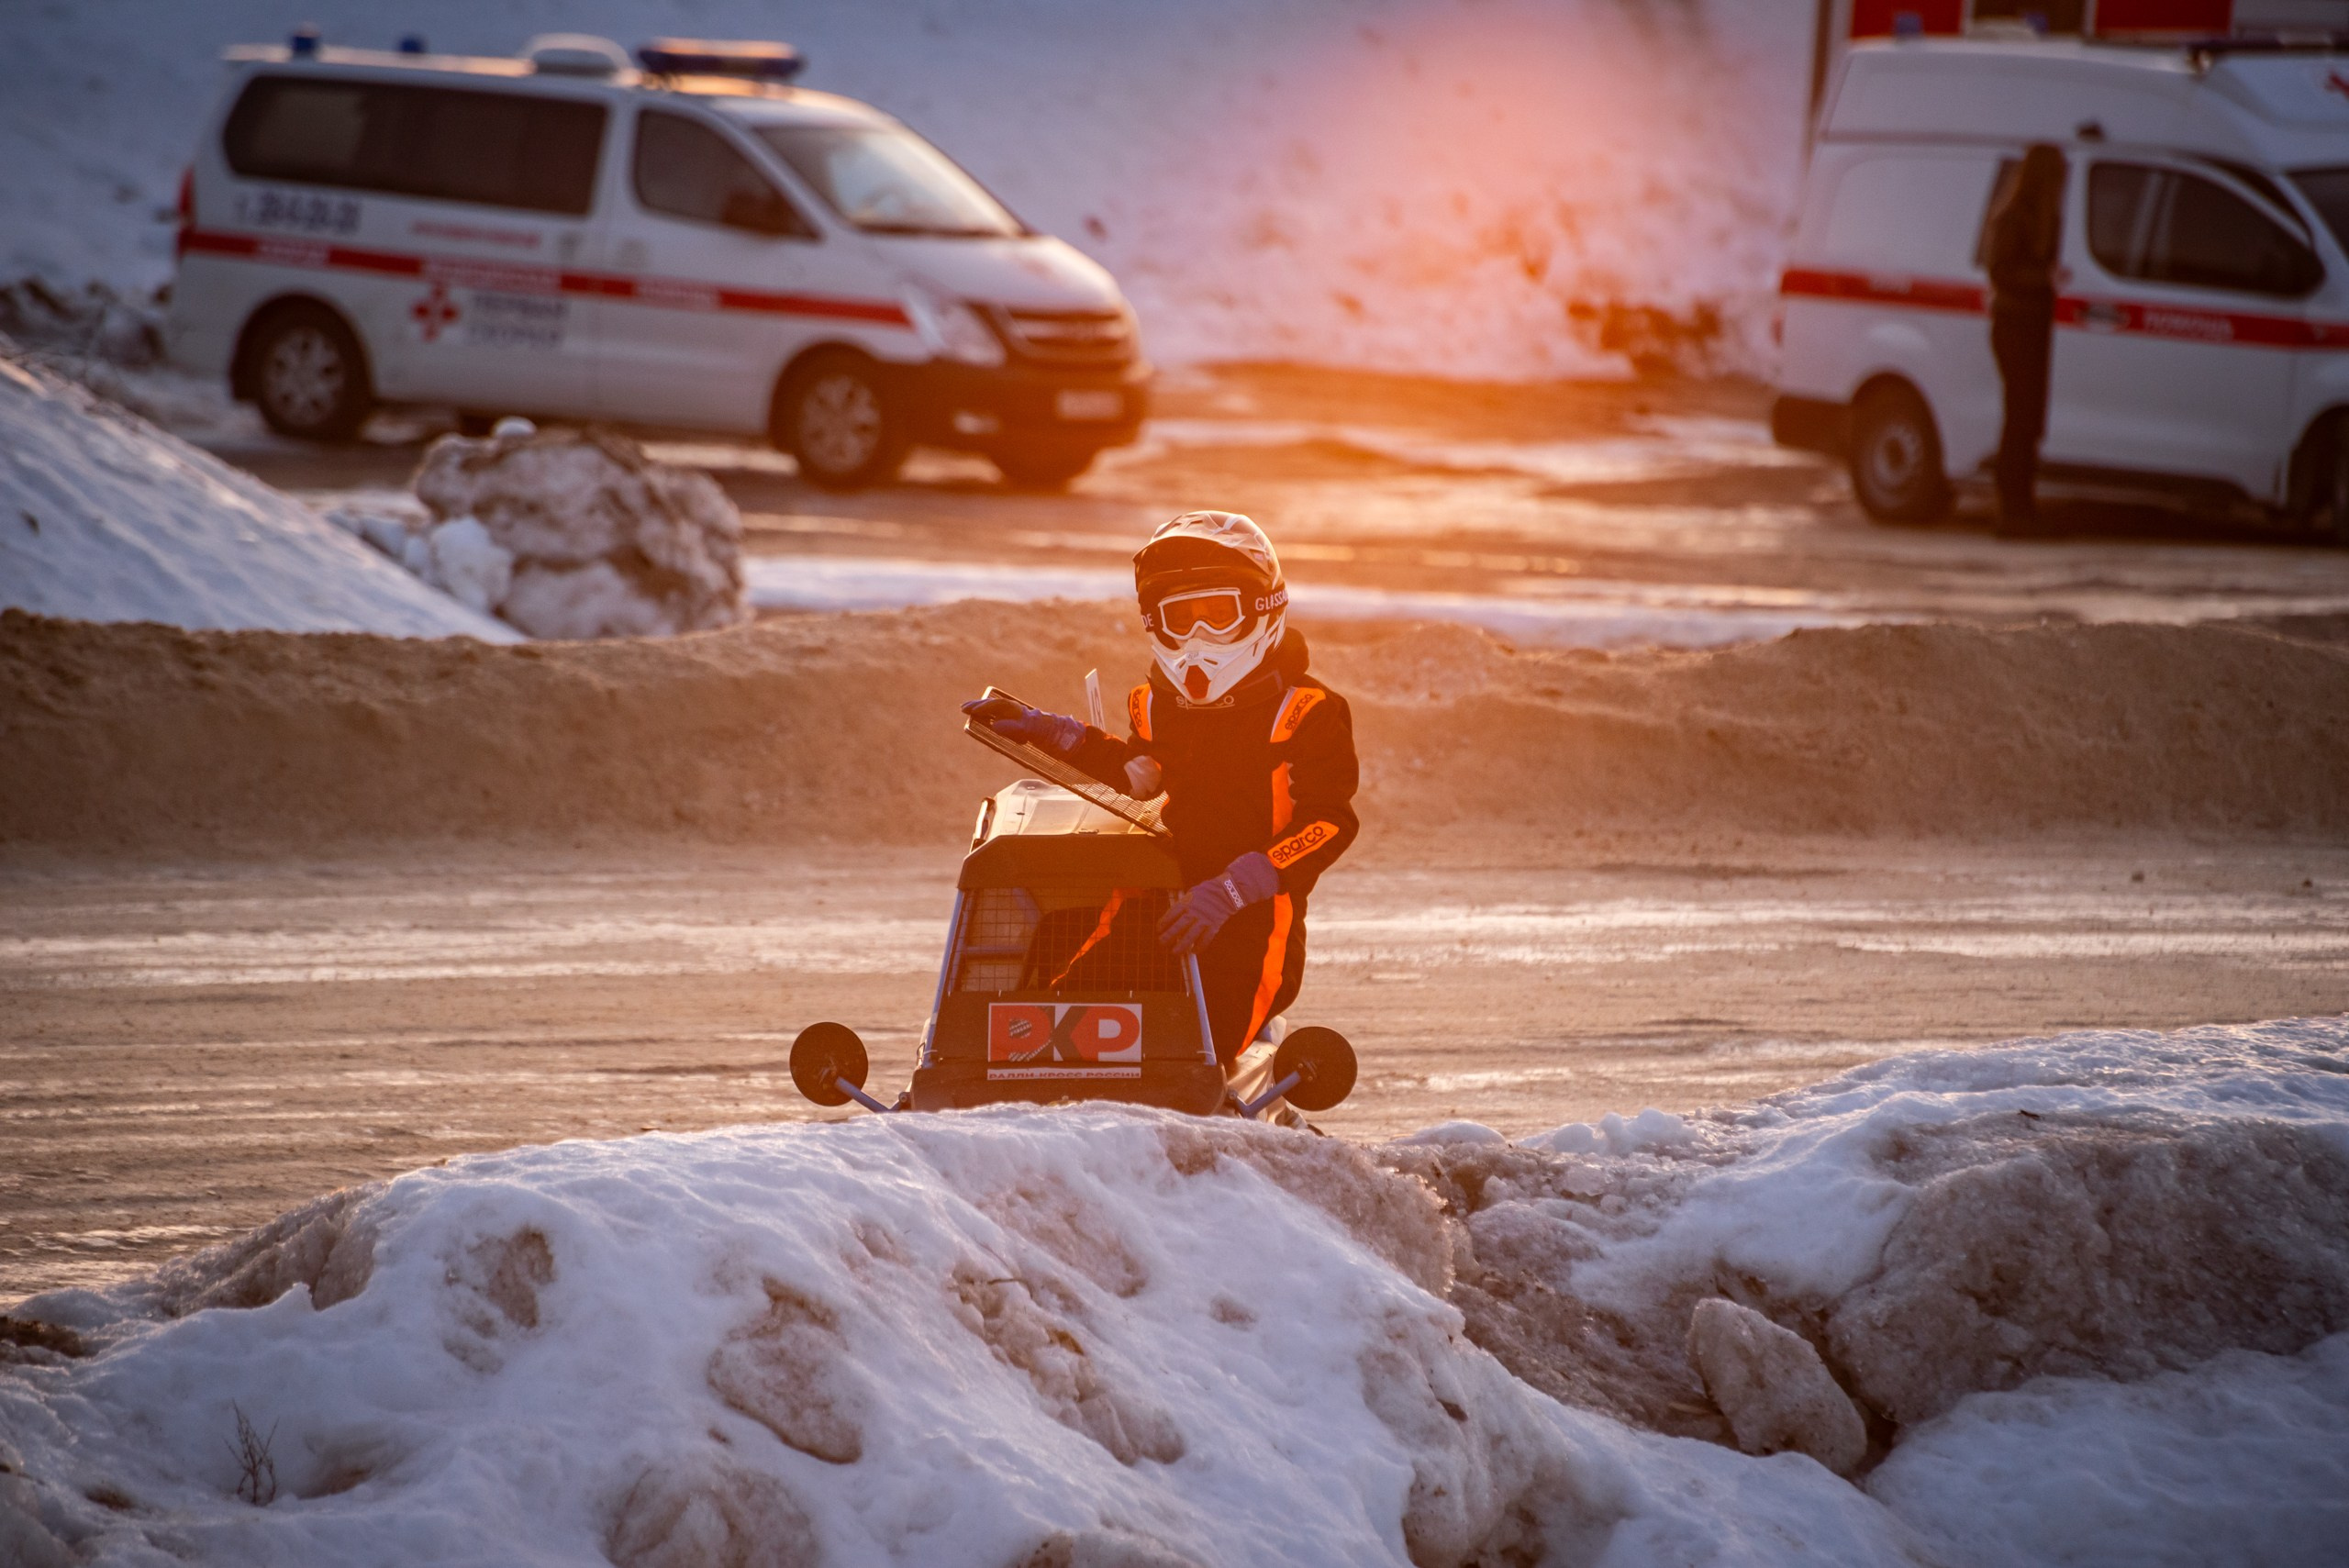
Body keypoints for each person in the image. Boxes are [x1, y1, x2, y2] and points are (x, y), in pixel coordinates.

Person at [963, 511, 1359, 1108]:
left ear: (1263, 609)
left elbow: (1331, 821)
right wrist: (1047, 731)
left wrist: (1236, 886)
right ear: (1156, 623)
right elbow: (1137, 775)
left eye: (1218, 613)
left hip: (1252, 921)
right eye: (1182, 615)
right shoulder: (1158, 705)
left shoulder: (1306, 712)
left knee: (1199, 1043)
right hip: (1157, 897)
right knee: (1058, 1020)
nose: (1199, 635)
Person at [1984, 143, 2067, 531]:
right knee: (2019, 417)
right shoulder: (2016, 218)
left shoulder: (2044, 218)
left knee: (2028, 417)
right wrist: (2045, 281)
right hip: (2015, 324)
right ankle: (2011, 507)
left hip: (2031, 326)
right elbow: (1999, 271)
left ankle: (2020, 503)